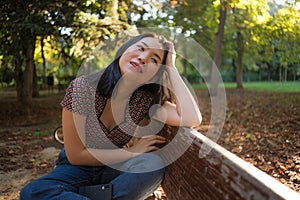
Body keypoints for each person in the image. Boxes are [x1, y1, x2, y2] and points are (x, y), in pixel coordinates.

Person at [20, 32, 202, 200]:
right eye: (141, 48)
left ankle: (82, 195)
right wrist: (131, 152)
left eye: (154, 60)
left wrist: (171, 67)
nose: (143, 58)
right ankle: (99, 195)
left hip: (114, 170)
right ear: (123, 50)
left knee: (152, 165)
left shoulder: (144, 102)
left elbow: (192, 118)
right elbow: (76, 156)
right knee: (33, 192)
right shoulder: (83, 88)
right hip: (76, 169)